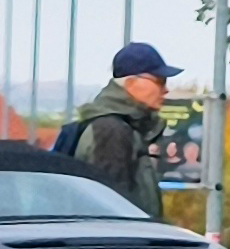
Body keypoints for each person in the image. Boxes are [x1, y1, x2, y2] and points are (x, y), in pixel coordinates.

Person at [73, 42, 181, 219]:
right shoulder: (110, 131)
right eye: (159, 81)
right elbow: (110, 209)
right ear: (131, 83)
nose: (166, 90)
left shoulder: (124, 127)